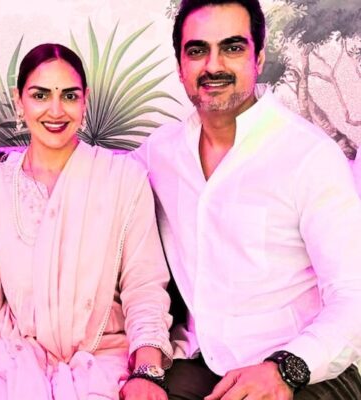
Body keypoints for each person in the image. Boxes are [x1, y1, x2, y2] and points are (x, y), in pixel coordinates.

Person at [0, 43, 174, 400]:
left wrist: (147, 373)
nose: (55, 110)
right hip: (14, 368)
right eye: (40, 95)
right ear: (19, 101)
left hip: (104, 366)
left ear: (85, 100)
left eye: (69, 96)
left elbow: (144, 288)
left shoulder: (124, 179)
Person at [133, 0, 361, 399]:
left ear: (259, 57)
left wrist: (285, 369)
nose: (214, 65)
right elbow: (92, 178)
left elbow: (353, 294)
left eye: (233, 47)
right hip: (202, 361)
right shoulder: (160, 153)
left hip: (305, 369)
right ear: (180, 65)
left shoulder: (309, 156)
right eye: (197, 50)